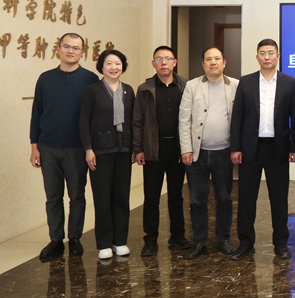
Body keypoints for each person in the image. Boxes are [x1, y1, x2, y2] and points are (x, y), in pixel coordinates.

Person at [29, 33, 98, 260]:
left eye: (76, 48)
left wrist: (90, 147)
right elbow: (37, 112)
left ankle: (75, 238)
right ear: (58, 49)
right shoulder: (45, 78)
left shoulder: (90, 79)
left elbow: (95, 116)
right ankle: (56, 239)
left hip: (77, 147)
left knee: (77, 195)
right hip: (48, 147)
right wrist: (34, 145)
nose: (71, 51)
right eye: (66, 46)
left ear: (82, 52)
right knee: (53, 196)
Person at [229, 39, 295, 261]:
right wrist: (235, 147)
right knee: (247, 198)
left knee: (279, 198)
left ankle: (281, 243)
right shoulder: (246, 82)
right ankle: (246, 243)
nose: (267, 57)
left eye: (271, 53)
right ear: (257, 57)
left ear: (278, 56)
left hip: (278, 148)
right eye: (262, 53)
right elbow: (237, 117)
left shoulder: (289, 82)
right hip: (250, 148)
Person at [178, 47, 239, 259]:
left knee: (224, 198)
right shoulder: (192, 86)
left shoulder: (235, 86)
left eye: (217, 59)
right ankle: (199, 241)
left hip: (224, 153)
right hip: (197, 154)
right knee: (197, 200)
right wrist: (186, 148)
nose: (213, 62)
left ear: (224, 63)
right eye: (208, 59)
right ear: (203, 64)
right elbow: (184, 120)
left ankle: (224, 238)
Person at [132, 46, 191, 257]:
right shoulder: (145, 89)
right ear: (153, 63)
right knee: (151, 197)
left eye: (167, 59)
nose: (163, 62)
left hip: (177, 149)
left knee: (176, 195)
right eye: (159, 59)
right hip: (153, 149)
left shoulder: (185, 86)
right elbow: (137, 121)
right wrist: (138, 148)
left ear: (175, 62)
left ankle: (178, 236)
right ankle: (150, 240)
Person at [79, 49, 135, 260]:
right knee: (102, 198)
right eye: (109, 63)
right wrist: (88, 149)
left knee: (121, 197)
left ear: (123, 66)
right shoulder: (92, 91)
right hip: (100, 152)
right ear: (101, 67)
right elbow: (84, 121)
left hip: (123, 150)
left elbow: (134, 121)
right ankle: (104, 243)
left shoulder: (128, 90)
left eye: (118, 63)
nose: (114, 67)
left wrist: (135, 147)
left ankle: (119, 241)